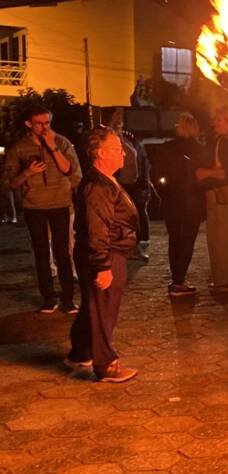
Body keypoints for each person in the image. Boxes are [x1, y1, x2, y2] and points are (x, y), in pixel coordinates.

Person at [66, 127, 138, 383]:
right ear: (100, 153)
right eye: (117, 149)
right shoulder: (97, 186)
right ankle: (106, 364)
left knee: (94, 305)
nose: (123, 154)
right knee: (104, 308)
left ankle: (80, 351)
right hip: (105, 253)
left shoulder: (105, 180)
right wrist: (103, 266)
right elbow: (97, 228)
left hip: (107, 252)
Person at [2, 105, 81, 314]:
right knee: (42, 253)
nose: (45, 127)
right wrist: (27, 173)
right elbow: (9, 182)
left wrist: (52, 146)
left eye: (48, 122)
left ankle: (68, 299)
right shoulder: (19, 148)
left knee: (63, 253)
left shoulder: (61, 142)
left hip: (60, 204)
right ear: (29, 124)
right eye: (39, 123)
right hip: (34, 206)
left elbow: (70, 170)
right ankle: (48, 298)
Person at [195, 105, 228, 292]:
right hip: (220, 196)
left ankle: (226, 279)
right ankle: (227, 276)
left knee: (220, 238)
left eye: (219, 120)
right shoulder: (225, 142)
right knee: (221, 236)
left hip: (220, 195)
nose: (215, 123)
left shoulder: (224, 143)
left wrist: (205, 173)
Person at [158, 112, 206, 296]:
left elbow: (157, 174)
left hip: (172, 202)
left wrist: (164, 193)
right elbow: (203, 178)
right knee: (187, 241)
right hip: (192, 202)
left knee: (175, 240)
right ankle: (179, 280)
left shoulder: (167, 148)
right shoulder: (199, 150)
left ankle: (176, 278)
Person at [107, 109, 151, 261]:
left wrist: (144, 180)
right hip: (120, 185)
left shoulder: (129, 138)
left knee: (136, 215)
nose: (119, 123)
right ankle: (126, 248)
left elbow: (142, 159)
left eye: (120, 120)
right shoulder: (108, 141)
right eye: (115, 120)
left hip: (134, 185)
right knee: (124, 218)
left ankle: (136, 245)